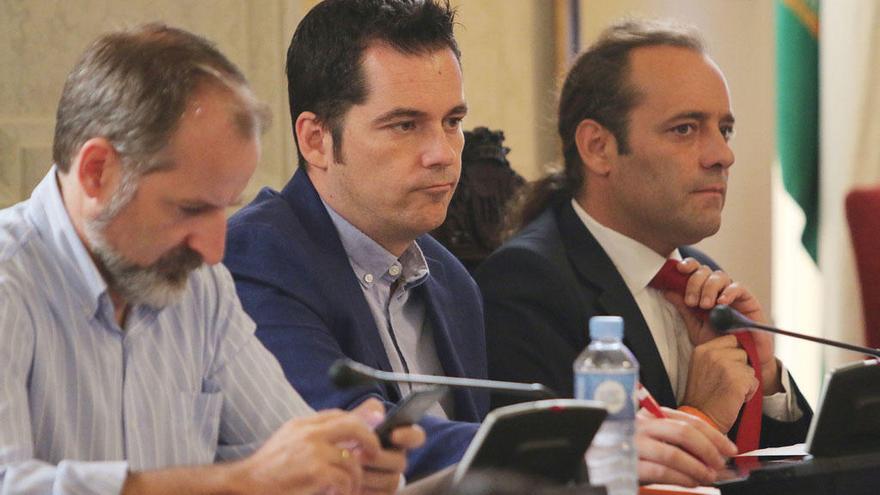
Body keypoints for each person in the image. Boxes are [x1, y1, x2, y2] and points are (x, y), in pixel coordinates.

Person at [0, 24, 423, 495]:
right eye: (191, 209)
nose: (213, 249)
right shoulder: (9, 280)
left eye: (226, 207)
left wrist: (349, 467)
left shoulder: (200, 286)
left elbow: (285, 451)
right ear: (98, 172)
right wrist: (242, 482)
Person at [474, 19, 813, 486]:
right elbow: (540, 482)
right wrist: (702, 416)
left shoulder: (702, 279)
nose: (722, 155)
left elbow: (797, 480)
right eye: (685, 129)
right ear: (598, 147)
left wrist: (765, 376)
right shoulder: (526, 284)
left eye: (725, 129)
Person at [224, 0, 484, 481]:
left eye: (452, 121)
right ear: (316, 140)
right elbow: (351, 440)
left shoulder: (453, 283)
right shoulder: (256, 257)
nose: (442, 154)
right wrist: (565, 444)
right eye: (405, 125)